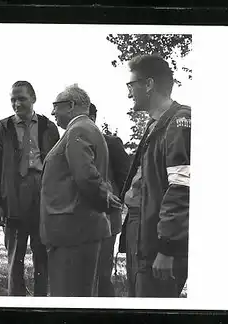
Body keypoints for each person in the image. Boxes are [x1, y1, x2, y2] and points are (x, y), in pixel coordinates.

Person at [118, 54, 191, 297]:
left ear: (148, 84)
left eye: (131, 86)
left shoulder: (180, 121)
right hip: (141, 233)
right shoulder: (154, 123)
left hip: (157, 240)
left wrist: (167, 248)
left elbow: (181, 188)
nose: (129, 94)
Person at [39, 84, 122, 297]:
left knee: (68, 295)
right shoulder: (86, 129)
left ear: (71, 105)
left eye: (55, 106)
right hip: (78, 230)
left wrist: (105, 197)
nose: (52, 112)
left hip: (72, 231)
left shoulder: (78, 130)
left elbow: (86, 176)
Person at [0, 81, 59, 296]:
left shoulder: (48, 127)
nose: (17, 104)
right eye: (13, 100)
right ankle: (16, 302)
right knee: (14, 256)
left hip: (41, 196)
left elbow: (58, 165)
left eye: (22, 99)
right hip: (13, 197)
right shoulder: (3, 128)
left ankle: (41, 302)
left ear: (33, 98)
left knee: (42, 254)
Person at [88, 103, 130, 297]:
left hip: (107, 219)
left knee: (102, 274)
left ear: (94, 118)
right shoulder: (70, 142)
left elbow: (125, 179)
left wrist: (112, 200)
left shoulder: (111, 143)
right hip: (80, 220)